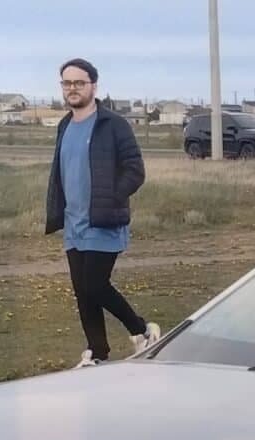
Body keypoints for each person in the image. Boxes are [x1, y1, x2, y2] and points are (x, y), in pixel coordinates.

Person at [46, 58, 160, 368]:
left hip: (104, 221)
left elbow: (135, 171)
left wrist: (111, 197)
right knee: (83, 292)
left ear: (93, 86)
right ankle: (96, 352)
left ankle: (142, 330)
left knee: (96, 285)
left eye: (79, 83)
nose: (72, 88)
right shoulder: (65, 125)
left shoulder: (113, 125)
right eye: (67, 83)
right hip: (74, 224)